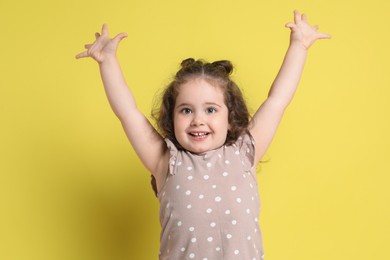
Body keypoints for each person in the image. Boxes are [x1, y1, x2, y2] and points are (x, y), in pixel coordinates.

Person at [76, 10, 330, 260]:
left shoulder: (245, 151)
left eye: (210, 109)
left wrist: (299, 47)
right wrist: (107, 61)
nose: (198, 120)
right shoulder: (166, 161)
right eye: (186, 110)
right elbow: (128, 113)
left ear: (230, 117)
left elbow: (277, 100)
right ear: (171, 117)